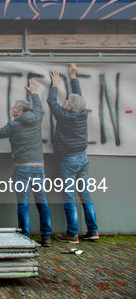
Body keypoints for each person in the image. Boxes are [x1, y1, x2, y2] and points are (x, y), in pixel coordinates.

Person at [0, 79, 52, 246]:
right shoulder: (37, 118)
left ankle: (25, 236)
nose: (12, 109)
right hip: (39, 167)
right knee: (42, 202)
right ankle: (46, 237)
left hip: (22, 168)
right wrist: (34, 92)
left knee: (23, 204)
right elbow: (38, 106)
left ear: (21, 112)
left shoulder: (13, 125)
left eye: (14, 108)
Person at [48, 63, 98, 243]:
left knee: (69, 196)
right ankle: (93, 231)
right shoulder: (82, 113)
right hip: (82, 158)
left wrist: (54, 85)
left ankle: (72, 234)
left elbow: (51, 102)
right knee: (85, 194)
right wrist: (73, 77)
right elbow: (79, 98)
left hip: (69, 160)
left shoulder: (64, 116)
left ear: (69, 107)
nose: (65, 102)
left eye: (67, 101)